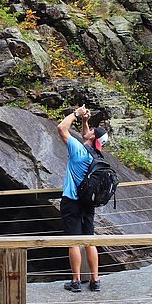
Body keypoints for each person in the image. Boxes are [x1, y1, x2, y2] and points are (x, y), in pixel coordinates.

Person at [57, 105, 108, 293]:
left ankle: (76, 281)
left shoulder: (78, 150)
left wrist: (76, 114)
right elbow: (86, 136)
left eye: (93, 130)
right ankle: (95, 280)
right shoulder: (96, 155)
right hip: (89, 202)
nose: (90, 130)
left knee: (73, 241)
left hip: (72, 199)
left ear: (93, 137)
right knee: (89, 240)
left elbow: (61, 128)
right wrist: (85, 122)